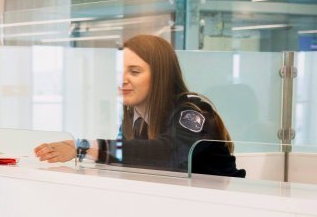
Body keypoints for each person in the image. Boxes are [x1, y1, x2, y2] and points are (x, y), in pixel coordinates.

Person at [35, 35, 246, 177]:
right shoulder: (134, 117)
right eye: (120, 71)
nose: (122, 80)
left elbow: (166, 155)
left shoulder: (191, 113)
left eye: (134, 72)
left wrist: (85, 146)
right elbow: (129, 158)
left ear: (160, 76)